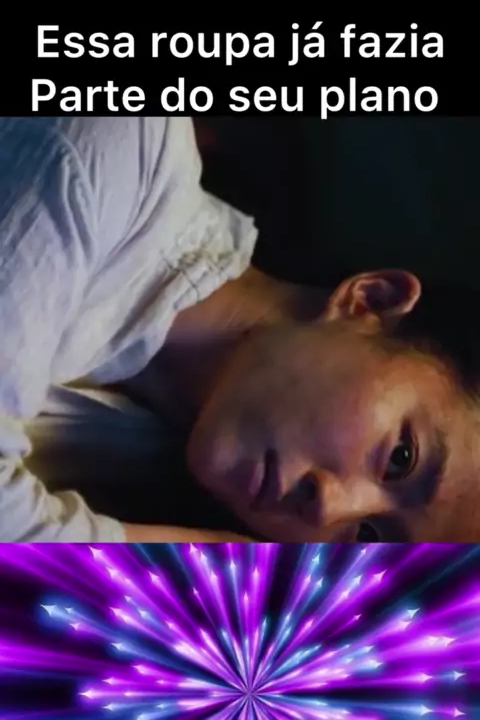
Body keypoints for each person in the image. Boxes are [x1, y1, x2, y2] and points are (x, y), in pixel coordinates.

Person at [1, 116, 479, 544]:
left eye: (368, 538)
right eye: (400, 458)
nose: (328, 510)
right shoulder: (112, 145)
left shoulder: (137, 455)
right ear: (370, 301)